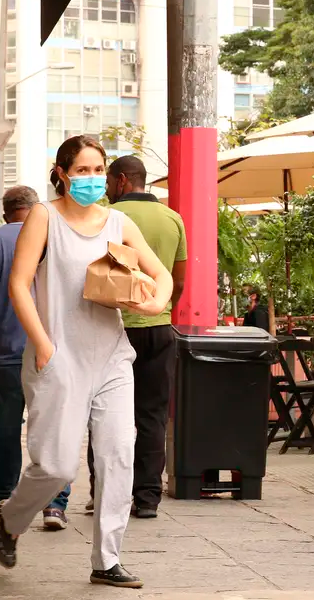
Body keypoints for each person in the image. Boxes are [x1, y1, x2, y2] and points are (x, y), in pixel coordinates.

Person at [0, 135, 173, 588]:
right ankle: (9, 522)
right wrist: (42, 344)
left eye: (99, 170)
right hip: (57, 355)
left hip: (112, 356)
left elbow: (162, 274)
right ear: (61, 173)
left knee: (118, 455)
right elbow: (19, 284)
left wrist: (156, 303)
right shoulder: (45, 217)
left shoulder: (118, 222)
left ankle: (106, 560)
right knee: (55, 466)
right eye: (82, 171)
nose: (92, 179)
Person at [99, 155, 187, 519]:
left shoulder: (106, 216)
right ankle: (148, 498)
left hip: (112, 329)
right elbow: (178, 281)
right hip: (157, 328)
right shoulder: (172, 218)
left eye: (105, 179)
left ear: (120, 181)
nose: (103, 187)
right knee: (151, 415)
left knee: (102, 414)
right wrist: (161, 309)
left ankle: (102, 494)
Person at [0, 186, 71, 532]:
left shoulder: (0, 240)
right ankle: (54, 506)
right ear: (35, 210)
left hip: (5, 354)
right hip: (52, 350)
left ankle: (6, 495)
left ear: (5, 213)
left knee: (7, 428)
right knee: (55, 429)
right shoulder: (52, 241)